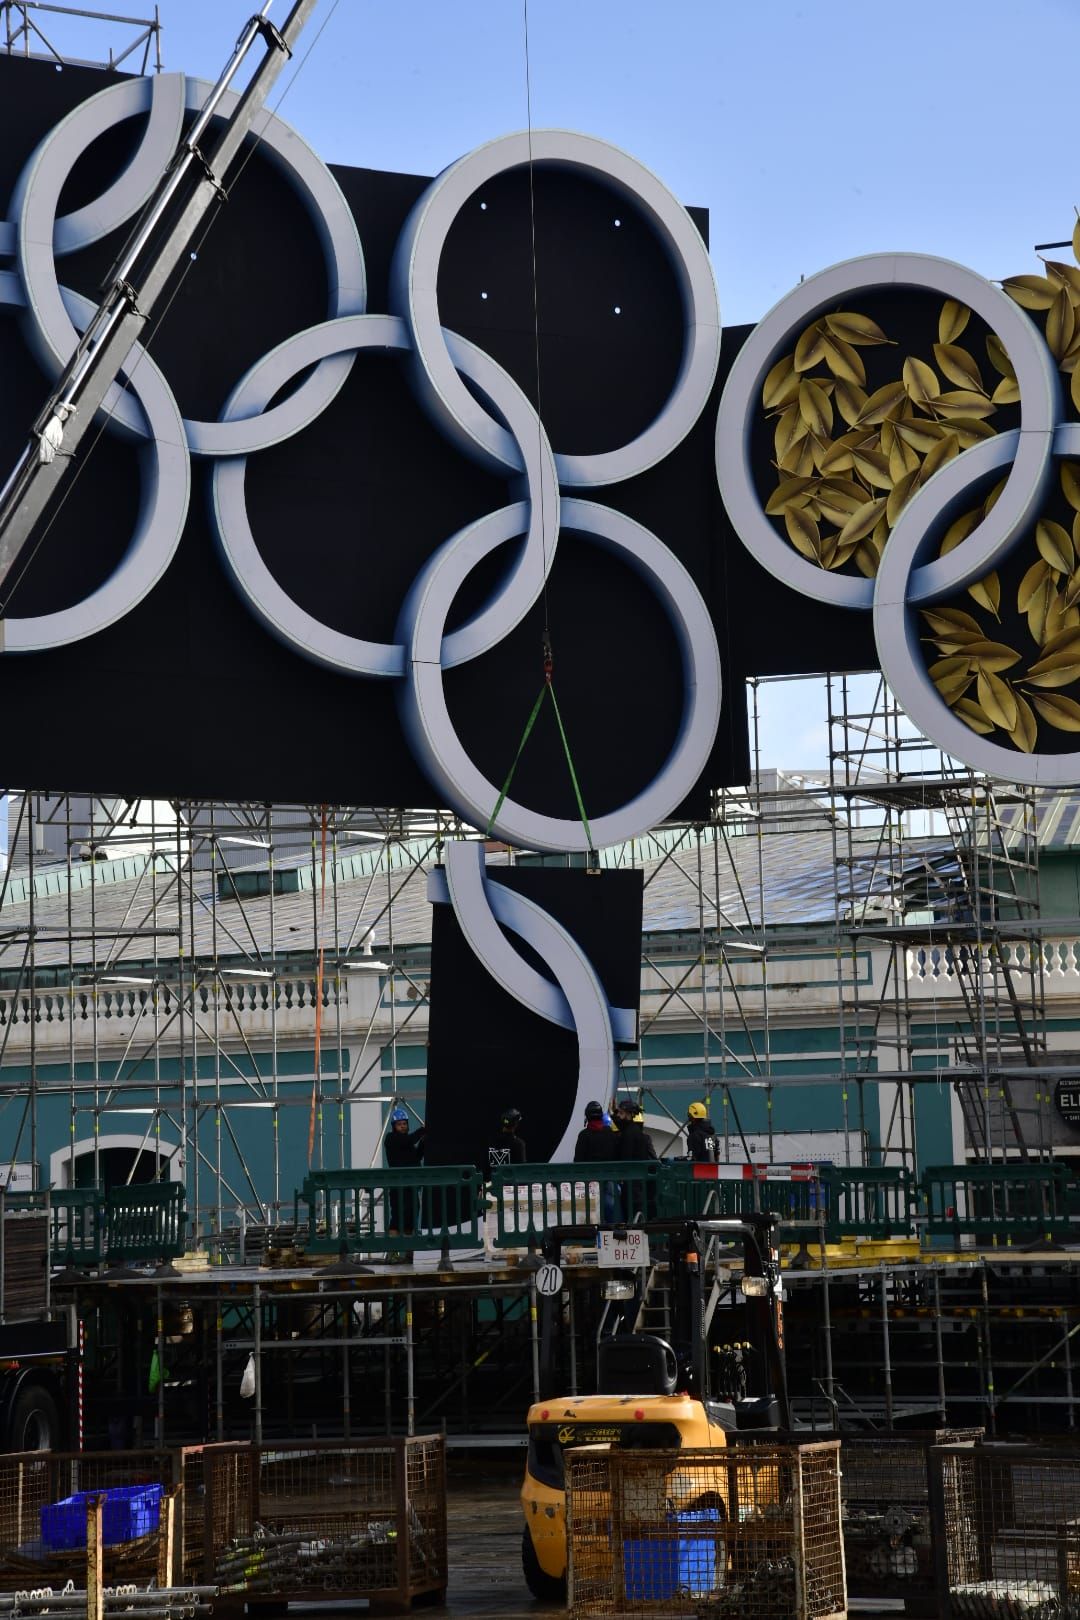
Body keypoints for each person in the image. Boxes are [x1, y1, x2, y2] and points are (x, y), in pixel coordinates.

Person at [384, 1105, 425, 1259]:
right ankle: (393, 1253)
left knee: (410, 1217)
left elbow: (416, 1157)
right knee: (397, 1218)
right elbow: (409, 1140)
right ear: (394, 1126)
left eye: (405, 1124)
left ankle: (409, 1253)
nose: (403, 1126)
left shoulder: (407, 1143)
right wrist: (423, 1130)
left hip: (411, 1185)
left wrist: (423, 1143)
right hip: (398, 1185)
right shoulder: (391, 1138)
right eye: (400, 1124)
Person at [612, 1096, 657, 1221]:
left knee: (631, 1213)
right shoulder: (635, 1131)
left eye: (621, 1113)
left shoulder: (629, 1134)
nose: (619, 1116)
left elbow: (625, 1157)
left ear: (628, 1114)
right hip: (638, 1183)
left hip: (631, 1184)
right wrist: (614, 1113)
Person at [574, 1099, 618, 1223]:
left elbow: (578, 1160)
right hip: (608, 1177)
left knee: (592, 1211)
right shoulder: (609, 1133)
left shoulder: (584, 1135)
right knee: (609, 1206)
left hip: (589, 1180)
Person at [487, 1106, 527, 1171]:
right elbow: (521, 1170)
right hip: (510, 1180)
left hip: (491, 1180)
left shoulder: (490, 1141)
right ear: (516, 1124)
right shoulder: (519, 1144)